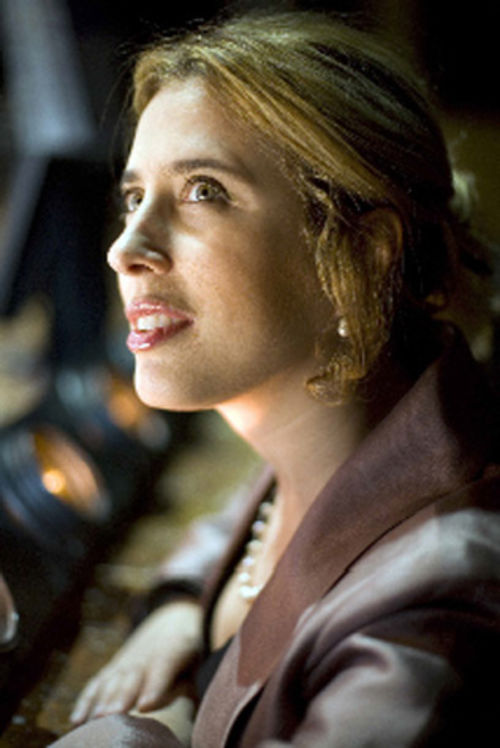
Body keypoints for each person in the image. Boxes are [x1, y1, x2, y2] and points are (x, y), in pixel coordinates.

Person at [51, 10, 500, 747]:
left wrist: (139, 737)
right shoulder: (343, 428)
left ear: (360, 252)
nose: (125, 248)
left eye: (204, 191)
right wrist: (181, 610)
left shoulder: (438, 608)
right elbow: (247, 518)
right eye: (134, 198)